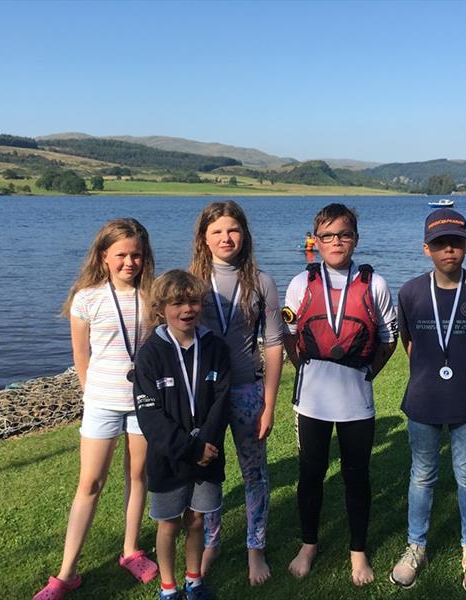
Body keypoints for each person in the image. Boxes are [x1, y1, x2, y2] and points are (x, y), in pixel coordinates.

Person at [34, 218, 158, 600]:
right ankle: (66, 572)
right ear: (104, 256)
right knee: (90, 483)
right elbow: (81, 355)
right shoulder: (86, 299)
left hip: (144, 403)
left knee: (138, 477)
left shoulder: (153, 296)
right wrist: (90, 394)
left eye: (137, 254)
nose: (129, 262)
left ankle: (130, 550)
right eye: (121, 254)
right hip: (102, 404)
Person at [282, 203, 399, 586]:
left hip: (356, 402)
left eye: (344, 234)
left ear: (355, 239)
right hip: (312, 401)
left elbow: (388, 339)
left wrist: (369, 372)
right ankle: (309, 543)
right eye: (328, 235)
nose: (336, 242)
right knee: (310, 475)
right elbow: (288, 332)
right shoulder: (301, 283)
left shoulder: (375, 284)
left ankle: (358, 551)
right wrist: (302, 366)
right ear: (316, 240)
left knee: (356, 477)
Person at [390, 208, 466, 593]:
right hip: (423, 400)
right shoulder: (410, 292)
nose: (449, 250)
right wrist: (429, 370)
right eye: (440, 244)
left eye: (457, 242)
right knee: (422, 474)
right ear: (427, 249)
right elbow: (410, 343)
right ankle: (416, 546)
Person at [189, 201, 284, 585]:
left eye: (233, 230)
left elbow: (274, 344)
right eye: (217, 231)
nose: (226, 238)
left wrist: (270, 403)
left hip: (247, 390)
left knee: (254, 474)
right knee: (207, 470)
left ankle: (255, 547)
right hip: (205, 394)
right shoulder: (190, 281)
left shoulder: (262, 282)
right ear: (204, 238)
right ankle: (210, 541)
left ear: (244, 234)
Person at [133, 270, 231, 600]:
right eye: (177, 303)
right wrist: (190, 448)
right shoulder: (149, 355)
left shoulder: (215, 346)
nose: (186, 309)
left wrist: (206, 443)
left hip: (209, 452)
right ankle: (168, 587)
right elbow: (150, 417)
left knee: (196, 520)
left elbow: (222, 399)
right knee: (169, 524)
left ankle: (194, 581)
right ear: (161, 308)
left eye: (193, 301)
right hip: (169, 458)